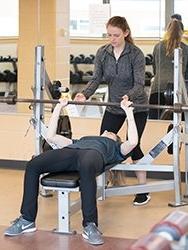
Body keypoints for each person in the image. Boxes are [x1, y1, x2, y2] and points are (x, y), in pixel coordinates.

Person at [4, 97, 138, 246]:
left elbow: (132, 142)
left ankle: (90, 225)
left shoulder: (116, 149)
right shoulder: (80, 140)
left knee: (86, 166)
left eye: (111, 133)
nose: (107, 131)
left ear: (115, 139)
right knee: (33, 165)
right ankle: (27, 220)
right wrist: (59, 107)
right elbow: (51, 137)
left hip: (94, 155)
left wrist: (128, 112)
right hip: (72, 151)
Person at [74, 16, 149, 206]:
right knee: (102, 143)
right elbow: (96, 79)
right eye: (109, 35)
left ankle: (142, 191)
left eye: (116, 35)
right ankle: (102, 184)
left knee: (134, 145)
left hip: (136, 107)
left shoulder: (135, 54)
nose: (112, 39)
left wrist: (129, 97)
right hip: (114, 106)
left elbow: (140, 83)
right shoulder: (103, 52)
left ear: (126, 33)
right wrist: (85, 94)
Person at [149, 18, 188, 119]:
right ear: (182, 32)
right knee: (181, 124)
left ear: (167, 30)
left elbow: (155, 69)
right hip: (178, 90)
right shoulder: (186, 48)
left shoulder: (158, 46)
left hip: (158, 89)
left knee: (156, 124)